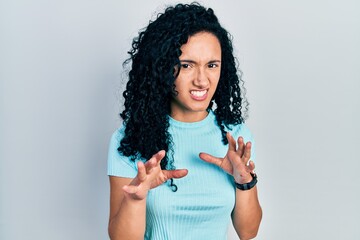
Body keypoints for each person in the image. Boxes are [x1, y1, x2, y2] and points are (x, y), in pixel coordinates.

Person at [107, 3, 262, 240]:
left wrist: (244, 182)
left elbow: (248, 231)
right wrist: (136, 198)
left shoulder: (235, 137)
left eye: (212, 65)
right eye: (187, 65)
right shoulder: (130, 138)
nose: (202, 80)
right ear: (163, 67)